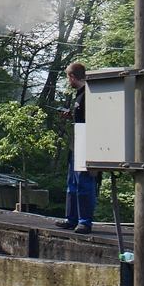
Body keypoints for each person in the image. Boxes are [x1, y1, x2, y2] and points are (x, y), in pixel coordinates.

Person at [55, 62, 96, 233]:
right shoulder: (79, 95)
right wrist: (71, 116)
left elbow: (92, 120)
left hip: (86, 145)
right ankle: (71, 218)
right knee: (72, 184)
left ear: (72, 77)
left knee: (84, 184)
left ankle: (84, 221)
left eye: (68, 78)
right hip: (76, 145)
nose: (68, 81)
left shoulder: (89, 94)